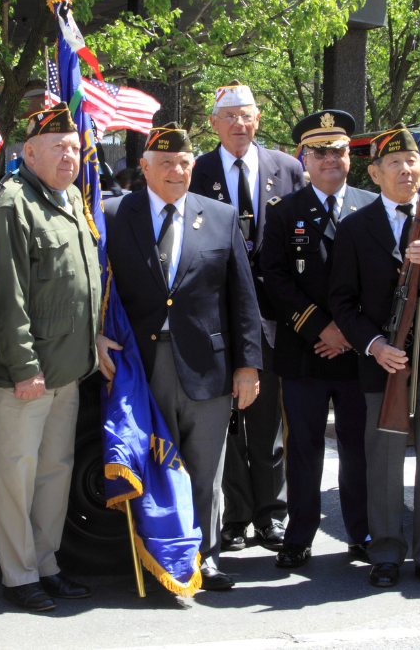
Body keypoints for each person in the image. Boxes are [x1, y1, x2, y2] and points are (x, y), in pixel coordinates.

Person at [99, 125, 261, 590]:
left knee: (206, 469)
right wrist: (95, 333)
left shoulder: (221, 216)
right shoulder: (113, 214)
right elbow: (96, 288)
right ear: (144, 167)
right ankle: (155, 554)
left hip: (207, 366)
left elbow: (242, 297)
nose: (176, 170)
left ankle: (204, 557)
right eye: (165, 162)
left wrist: (248, 366)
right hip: (142, 367)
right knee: (151, 464)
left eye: (184, 162)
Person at [328, 126, 420, 590]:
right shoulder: (354, 226)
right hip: (382, 364)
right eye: (395, 164)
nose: (406, 170)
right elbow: (342, 302)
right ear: (374, 173)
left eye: (412, 162)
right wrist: (374, 345)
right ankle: (386, 551)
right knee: (384, 462)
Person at [0, 103, 102, 611]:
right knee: (14, 477)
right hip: (22, 376)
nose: (69, 156)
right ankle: (19, 575)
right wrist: (24, 367)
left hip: (68, 369)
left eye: (74, 147)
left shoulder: (69, 196)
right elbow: (7, 298)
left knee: (54, 472)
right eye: (57, 148)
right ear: (28, 152)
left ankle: (47, 564)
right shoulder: (13, 203)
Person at [189, 82, 304, 552]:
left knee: (267, 421)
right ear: (214, 124)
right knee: (226, 421)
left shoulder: (288, 168)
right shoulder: (197, 170)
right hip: (219, 312)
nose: (240, 124)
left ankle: (271, 514)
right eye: (230, 116)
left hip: (273, 315)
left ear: (258, 120)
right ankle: (235, 515)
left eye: (247, 115)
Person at [259, 110, 375, 568]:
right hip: (304, 352)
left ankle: (362, 532)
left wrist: (348, 333)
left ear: (352, 157)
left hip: (359, 354)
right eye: (320, 151)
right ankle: (300, 534)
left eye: (339, 150)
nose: (330, 159)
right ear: (303, 158)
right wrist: (319, 328)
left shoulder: (372, 206)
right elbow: (275, 278)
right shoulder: (284, 213)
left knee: (358, 447)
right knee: (303, 449)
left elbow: (383, 281)